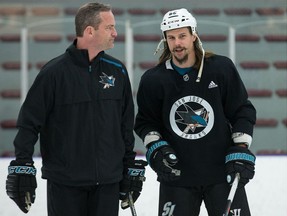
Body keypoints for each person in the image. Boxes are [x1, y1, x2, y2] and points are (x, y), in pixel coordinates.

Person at [5, 2, 147, 216]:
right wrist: (23, 165)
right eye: (109, 27)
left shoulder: (117, 71)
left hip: (108, 184)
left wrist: (128, 166)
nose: (115, 33)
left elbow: (125, 126)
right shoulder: (53, 73)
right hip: (65, 185)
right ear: (90, 31)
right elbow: (29, 123)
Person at [134, 8, 257, 216]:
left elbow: (242, 110)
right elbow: (145, 122)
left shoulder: (220, 69)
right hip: (176, 177)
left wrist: (241, 147)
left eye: (182, 36)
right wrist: (156, 147)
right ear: (165, 40)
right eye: (171, 38)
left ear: (193, 35)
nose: (177, 43)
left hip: (222, 174)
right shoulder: (153, 80)